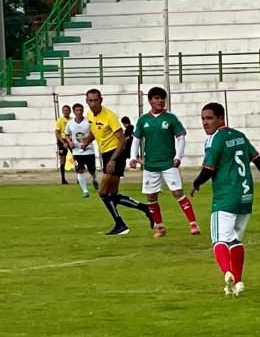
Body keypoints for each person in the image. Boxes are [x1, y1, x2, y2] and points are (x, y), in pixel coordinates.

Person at [191, 102, 260, 296]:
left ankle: (227, 273)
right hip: (245, 197)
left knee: (219, 240)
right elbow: (257, 160)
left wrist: (196, 183)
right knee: (234, 240)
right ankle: (238, 282)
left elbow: (208, 169)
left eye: (209, 118)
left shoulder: (216, 139)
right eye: (203, 119)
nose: (205, 123)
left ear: (220, 118)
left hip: (226, 197)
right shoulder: (239, 136)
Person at [130, 87, 201, 238]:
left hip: (168, 163)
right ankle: (160, 227)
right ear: (150, 100)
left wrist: (178, 157)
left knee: (177, 193)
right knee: (151, 197)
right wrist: (132, 157)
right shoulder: (143, 120)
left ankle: (193, 224)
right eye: (157, 98)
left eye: (162, 98)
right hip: (150, 165)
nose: (161, 101)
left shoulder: (171, 118)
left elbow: (181, 138)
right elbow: (136, 139)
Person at [82, 89, 153, 236]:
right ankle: (145, 209)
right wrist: (86, 141)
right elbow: (94, 131)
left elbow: (122, 141)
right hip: (106, 154)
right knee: (112, 195)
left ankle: (121, 224)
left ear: (101, 100)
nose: (93, 103)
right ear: (86, 101)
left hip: (115, 154)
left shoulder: (109, 116)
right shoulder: (89, 115)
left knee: (102, 192)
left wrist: (113, 159)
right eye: (90, 101)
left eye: (96, 100)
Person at [64, 103, 96, 198]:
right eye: (77, 110)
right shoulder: (70, 123)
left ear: (83, 111)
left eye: (80, 110)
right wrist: (70, 142)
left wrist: (87, 142)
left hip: (89, 150)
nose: (79, 112)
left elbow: (94, 133)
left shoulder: (88, 122)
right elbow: (66, 134)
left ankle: (94, 179)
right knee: (80, 170)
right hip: (77, 152)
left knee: (92, 170)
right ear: (73, 112)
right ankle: (85, 191)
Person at [55, 105, 72, 184]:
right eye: (64, 110)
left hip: (71, 140)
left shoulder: (72, 120)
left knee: (76, 159)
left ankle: (79, 178)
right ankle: (63, 179)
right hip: (63, 140)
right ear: (62, 111)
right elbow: (57, 133)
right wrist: (63, 142)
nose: (66, 112)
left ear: (70, 111)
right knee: (63, 160)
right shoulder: (60, 120)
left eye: (67, 110)